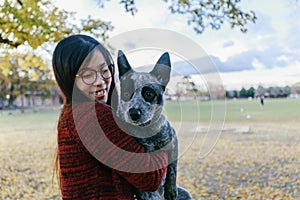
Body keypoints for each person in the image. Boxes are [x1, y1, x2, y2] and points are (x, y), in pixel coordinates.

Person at [52, 34, 168, 200]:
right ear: (69, 79)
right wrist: (164, 141)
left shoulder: (71, 114)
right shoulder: (91, 116)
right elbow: (150, 177)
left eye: (104, 70)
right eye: (87, 74)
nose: (100, 81)